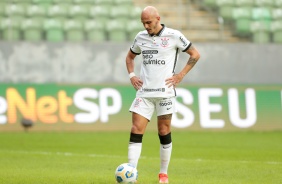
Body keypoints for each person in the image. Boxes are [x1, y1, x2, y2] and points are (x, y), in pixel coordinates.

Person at [125, 6, 200, 184]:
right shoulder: (140, 37)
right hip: (144, 93)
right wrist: (132, 75)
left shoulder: (174, 36)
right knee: (136, 129)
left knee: (163, 131)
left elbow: (195, 54)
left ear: (158, 18)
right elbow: (129, 57)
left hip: (165, 93)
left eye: (149, 22)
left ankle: (163, 174)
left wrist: (180, 75)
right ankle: (131, 172)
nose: (146, 26)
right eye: (143, 23)